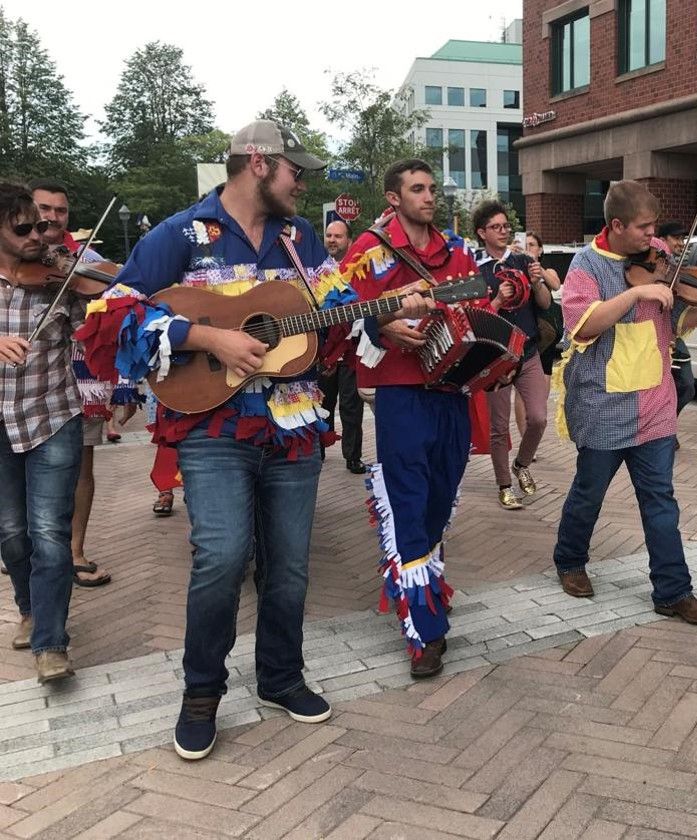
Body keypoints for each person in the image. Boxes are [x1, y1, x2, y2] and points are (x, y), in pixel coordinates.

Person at [78, 120, 430, 760]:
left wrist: (388, 316)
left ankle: (280, 677)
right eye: (297, 171)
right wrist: (209, 338)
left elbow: (340, 302)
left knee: (289, 566)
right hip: (211, 424)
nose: (304, 184)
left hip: (293, 424)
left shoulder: (299, 242)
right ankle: (201, 693)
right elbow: (113, 313)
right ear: (260, 164)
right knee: (220, 556)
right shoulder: (182, 234)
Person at [551, 180, 697, 623]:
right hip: (603, 405)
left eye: (655, 226)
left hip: (654, 403)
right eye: (644, 228)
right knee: (588, 494)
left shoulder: (661, 260)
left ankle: (674, 591)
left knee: (660, 500)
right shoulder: (587, 265)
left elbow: (678, 320)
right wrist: (635, 293)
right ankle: (569, 559)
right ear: (616, 225)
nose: (653, 237)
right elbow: (581, 326)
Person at [338, 158, 479, 679]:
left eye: (432, 188)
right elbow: (338, 317)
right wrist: (384, 326)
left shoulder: (458, 252)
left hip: (454, 390)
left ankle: (425, 584)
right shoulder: (366, 252)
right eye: (417, 189)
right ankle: (424, 630)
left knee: (441, 498)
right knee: (407, 501)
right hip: (400, 395)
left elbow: (479, 305)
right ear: (394, 197)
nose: (429, 196)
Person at [0, 182, 84, 683]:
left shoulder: (60, 274)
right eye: (25, 227)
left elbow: (110, 307)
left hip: (53, 416)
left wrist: (87, 285)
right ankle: (29, 609)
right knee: (10, 532)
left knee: (51, 532)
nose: (41, 233)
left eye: (44, 223)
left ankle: (51, 642)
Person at [29, 179, 115, 588]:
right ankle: (30, 548)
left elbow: (113, 293)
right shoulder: (10, 256)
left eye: (60, 211)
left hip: (81, 376)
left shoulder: (84, 257)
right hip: (23, 381)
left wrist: (74, 270)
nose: (51, 217)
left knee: (82, 466)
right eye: (43, 208)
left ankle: (75, 550)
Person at [472, 200, 551, 510]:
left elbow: (544, 303)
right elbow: (475, 317)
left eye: (506, 226)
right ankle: (505, 485)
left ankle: (521, 464)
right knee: (498, 427)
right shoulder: (476, 270)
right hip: (496, 356)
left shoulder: (522, 260)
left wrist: (536, 280)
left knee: (538, 418)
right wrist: (496, 301)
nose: (503, 231)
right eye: (496, 227)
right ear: (482, 233)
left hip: (528, 350)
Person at [317, 218, 365, 473]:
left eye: (338, 236)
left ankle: (353, 456)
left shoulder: (359, 270)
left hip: (349, 350)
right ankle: (319, 451)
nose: (332, 240)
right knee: (321, 404)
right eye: (329, 235)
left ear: (349, 240)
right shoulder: (316, 270)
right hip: (323, 349)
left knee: (350, 405)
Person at [515, 231, 562, 438]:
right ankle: (526, 437)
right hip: (528, 335)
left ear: (540, 249)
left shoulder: (546, 270)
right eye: (525, 245)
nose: (528, 248)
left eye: (532, 244)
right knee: (522, 390)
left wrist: (536, 267)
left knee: (540, 393)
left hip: (548, 337)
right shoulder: (516, 270)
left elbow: (556, 284)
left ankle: (534, 435)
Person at [656, 221, 697, 420]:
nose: (681, 243)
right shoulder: (656, 266)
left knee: (687, 386)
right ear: (661, 240)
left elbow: (682, 304)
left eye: (683, 239)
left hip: (673, 333)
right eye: (676, 238)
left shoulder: (678, 268)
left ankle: (668, 421)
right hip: (656, 333)